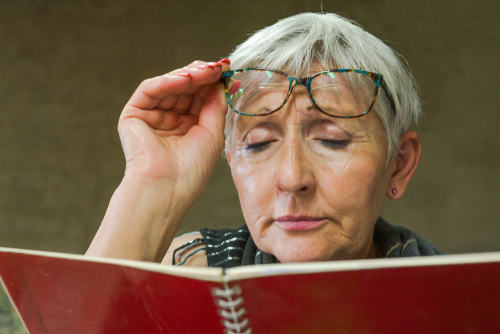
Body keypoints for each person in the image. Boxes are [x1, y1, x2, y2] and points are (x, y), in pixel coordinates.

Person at [86, 12, 443, 268]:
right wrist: (152, 185)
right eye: (258, 144)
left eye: (331, 140)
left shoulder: (467, 301)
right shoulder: (187, 271)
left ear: (398, 164)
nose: (291, 179)